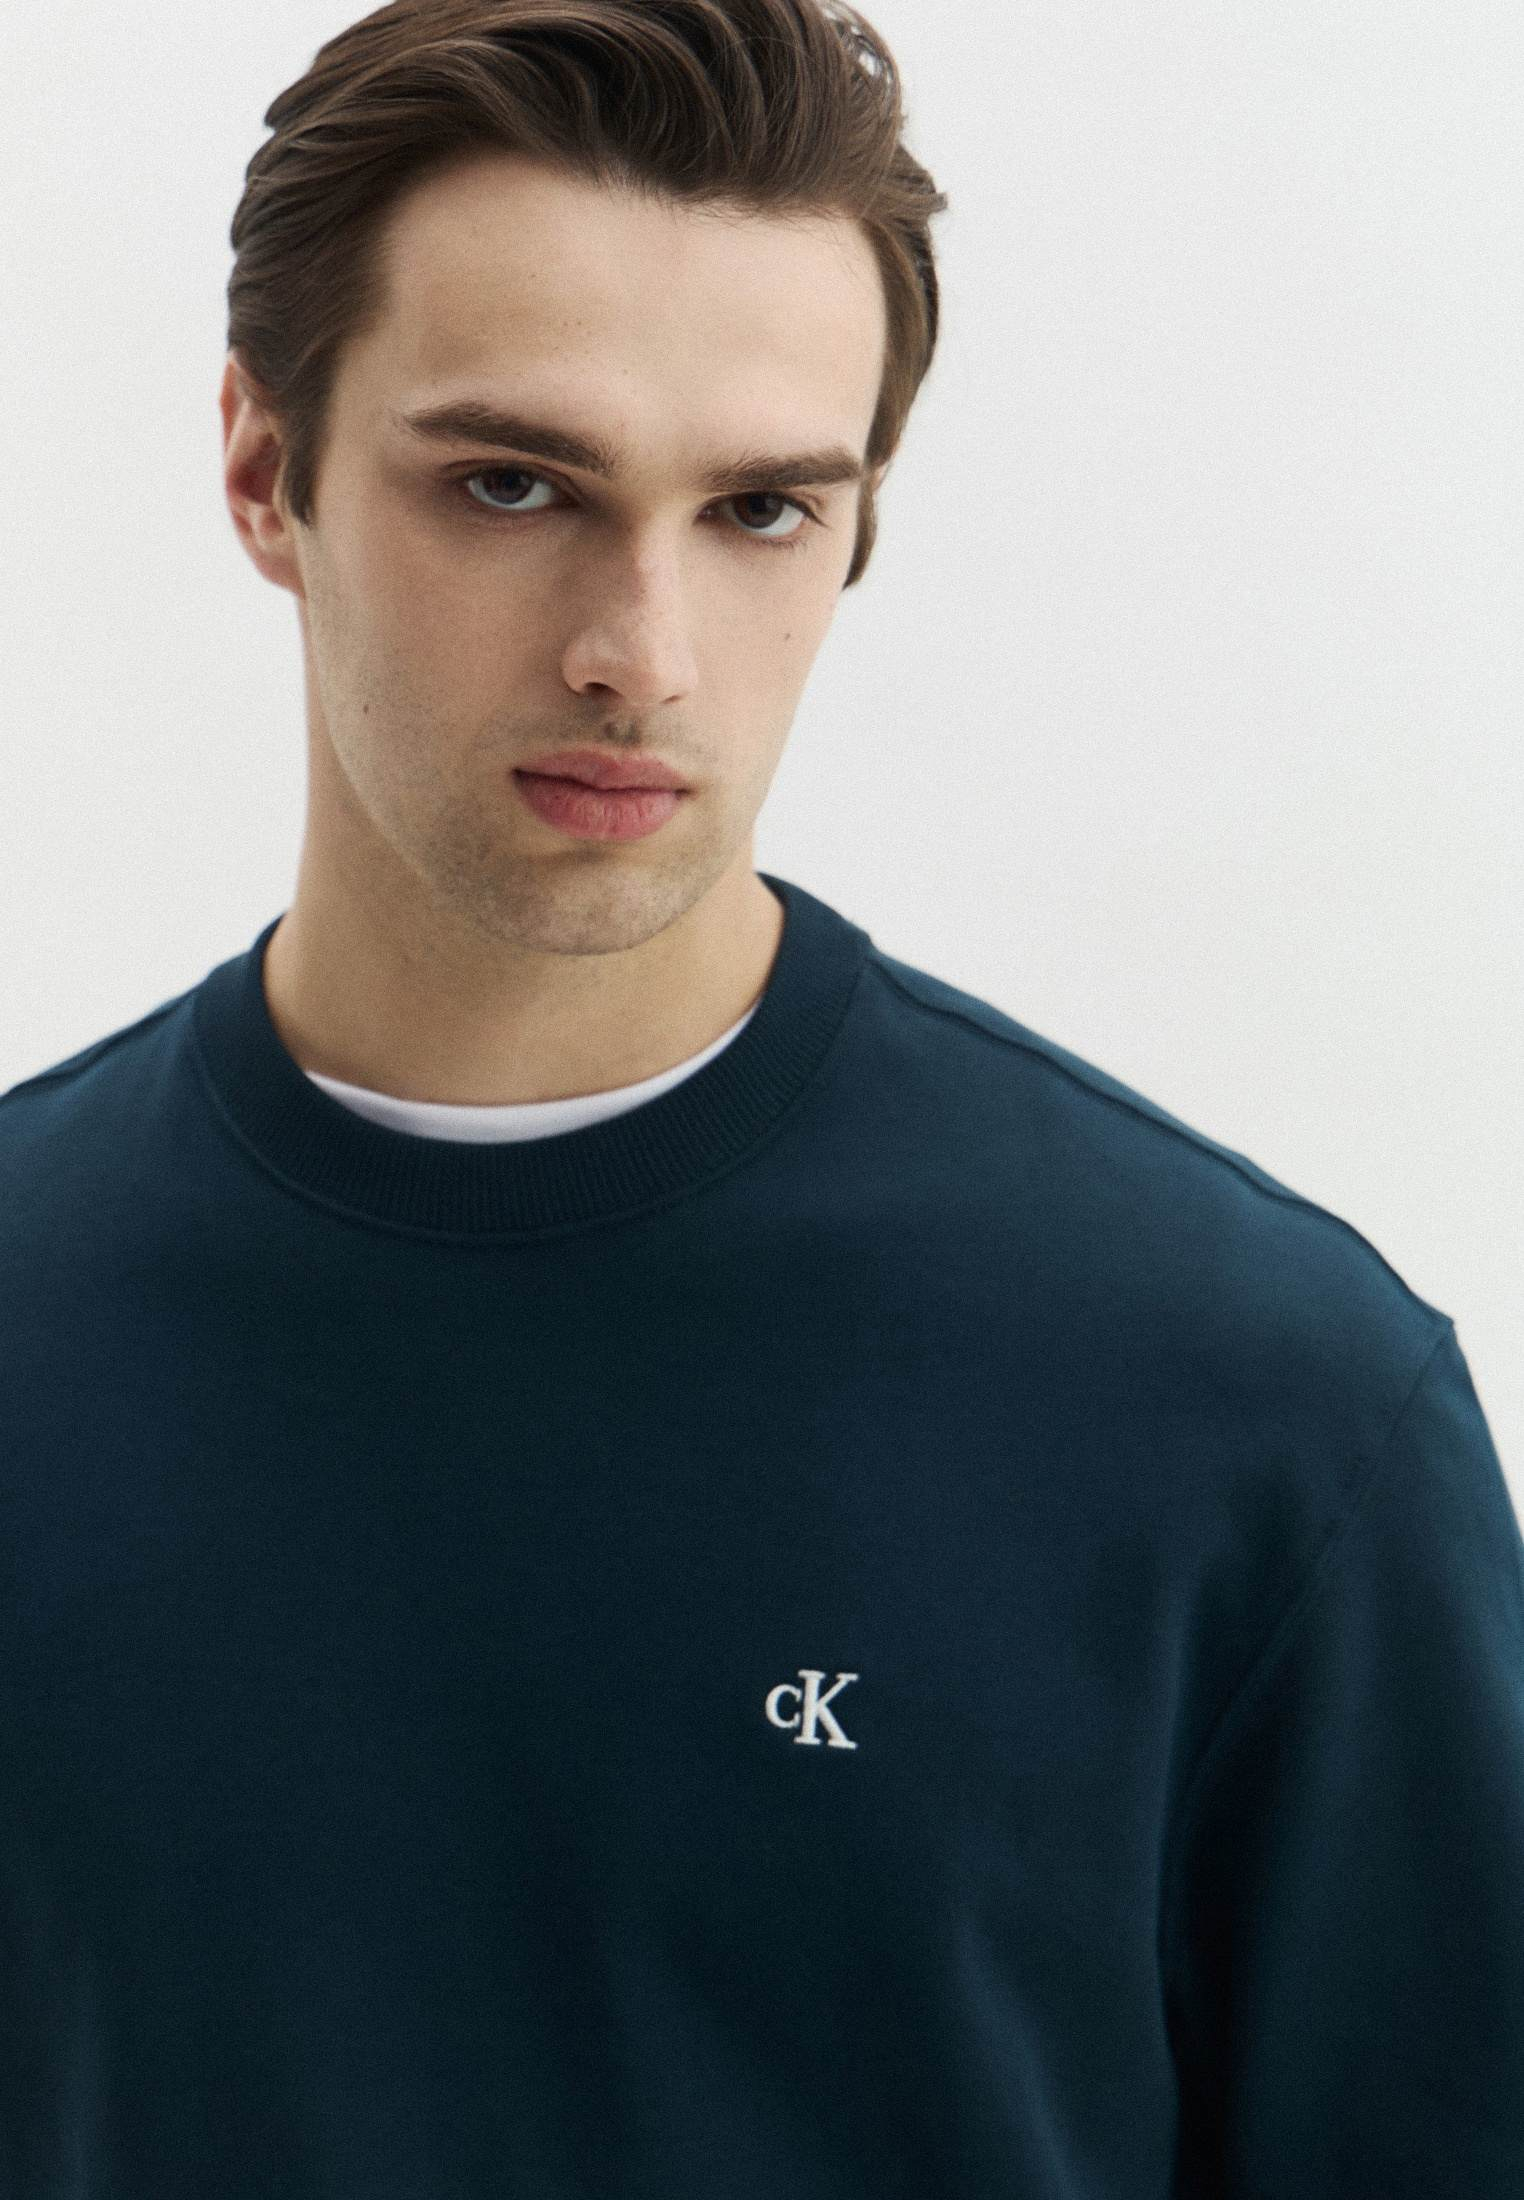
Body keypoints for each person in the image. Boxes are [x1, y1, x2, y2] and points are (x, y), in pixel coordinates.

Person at [3, 2, 1521, 2194]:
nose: (643, 649)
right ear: (265, 470)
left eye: (759, 510)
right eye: (511, 483)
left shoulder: (1267, 1409)